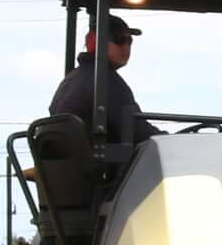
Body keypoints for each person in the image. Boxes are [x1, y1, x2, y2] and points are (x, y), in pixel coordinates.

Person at [49, 13, 161, 146]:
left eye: (129, 41)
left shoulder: (72, 79)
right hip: (98, 158)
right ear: (96, 40)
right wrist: (170, 140)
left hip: (71, 158)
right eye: (119, 40)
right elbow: (138, 132)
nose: (126, 47)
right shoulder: (104, 81)